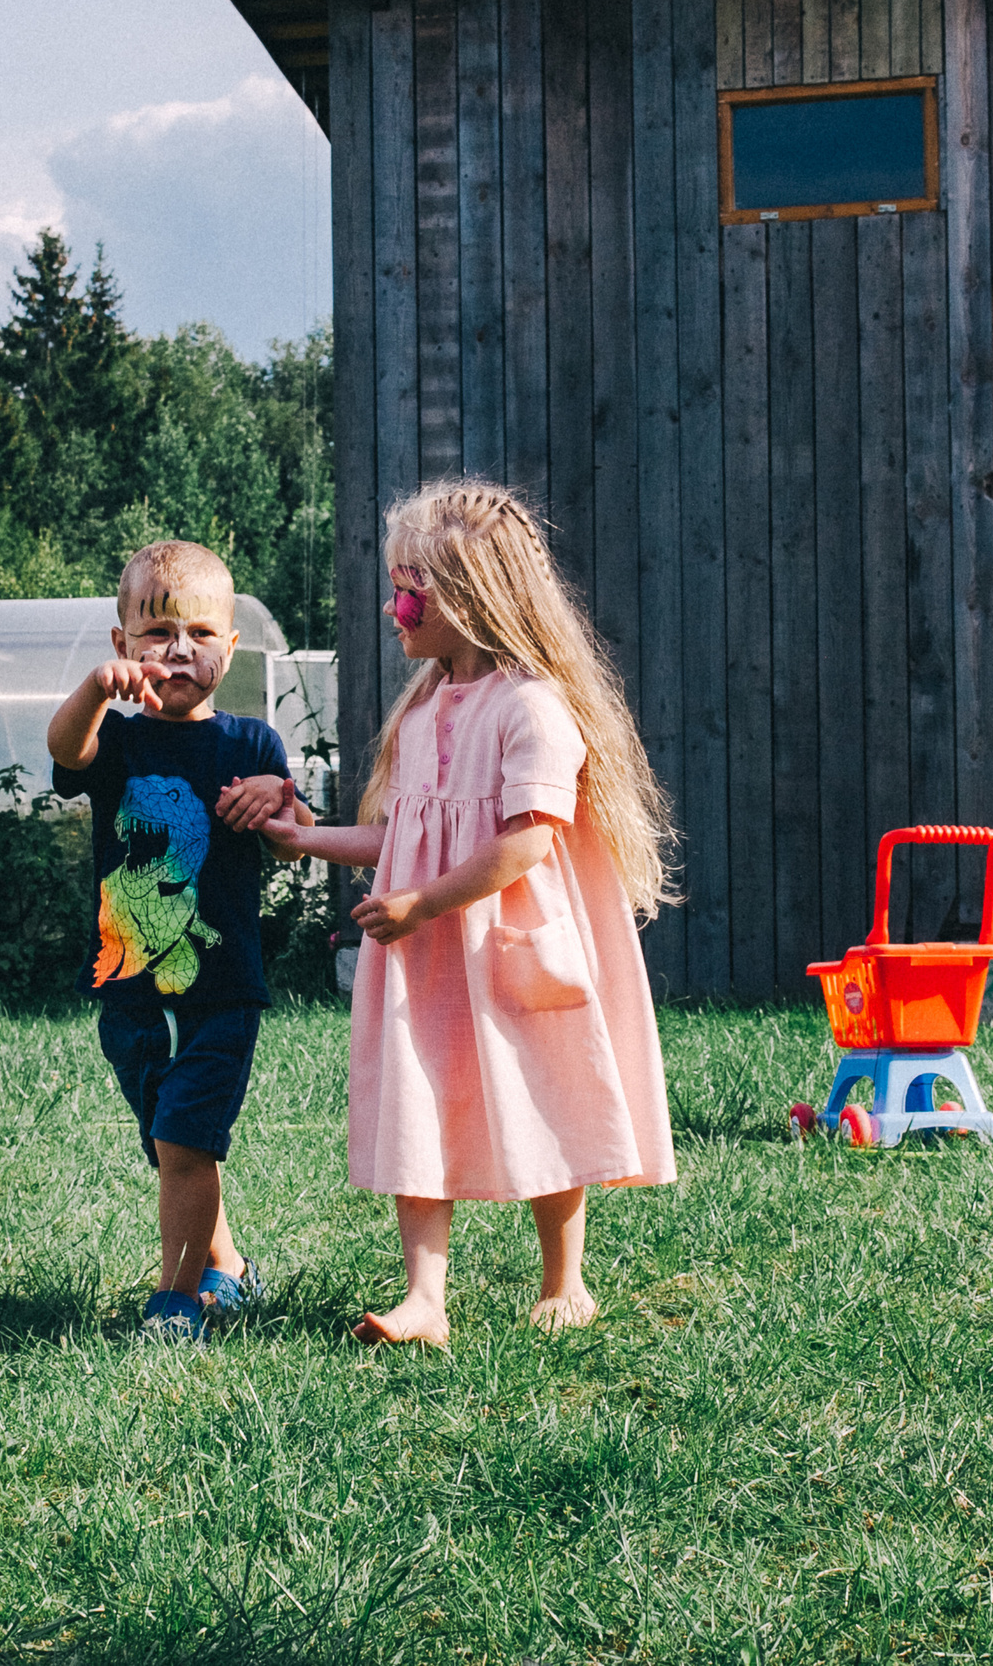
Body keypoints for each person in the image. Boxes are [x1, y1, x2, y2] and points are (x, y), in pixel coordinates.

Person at [251, 481, 678, 1347]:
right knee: (418, 1102)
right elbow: (403, 835)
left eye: (408, 590)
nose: (393, 608)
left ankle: (566, 1281)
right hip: (430, 956)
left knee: (545, 1093)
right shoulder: (423, 710)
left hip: (510, 946)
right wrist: (307, 839)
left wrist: (423, 902)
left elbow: (527, 841)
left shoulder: (533, 708)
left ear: (470, 594)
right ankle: (424, 1298)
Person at [47, 540, 314, 1342]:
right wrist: (97, 691)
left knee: (183, 1140)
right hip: (129, 993)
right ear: (123, 644)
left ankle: (176, 1300)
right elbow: (64, 749)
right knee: (172, 1149)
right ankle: (229, 1267)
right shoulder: (119, 742)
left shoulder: (252, 745)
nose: (179, 649)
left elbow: (294, 839)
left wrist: (282, 795)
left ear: (229, 647)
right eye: (158, 631)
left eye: (200, 633)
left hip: (221, 991)